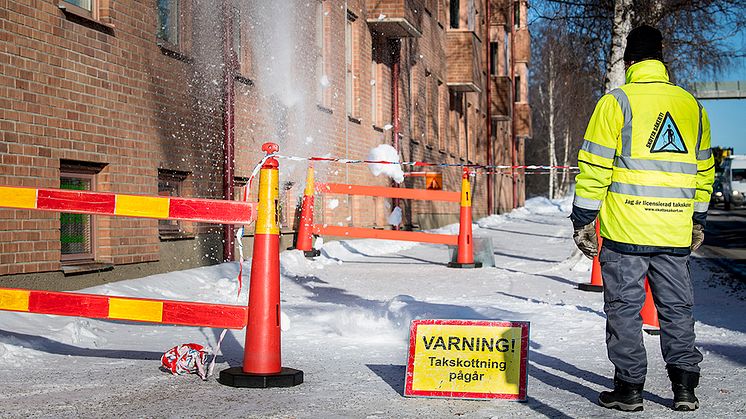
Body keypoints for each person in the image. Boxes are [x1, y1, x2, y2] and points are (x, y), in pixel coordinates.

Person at [571, 25, 715, 412]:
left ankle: (630, 389)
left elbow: (594, 168)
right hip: (674, 231)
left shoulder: (615, 103)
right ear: (662, 59)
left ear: (628, 61)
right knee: (676, 309)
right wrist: (697, 219)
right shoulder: (692, 107)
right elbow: (704, 171)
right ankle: (684, 387)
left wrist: (583, 218)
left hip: (625, 232)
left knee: (624, 310)